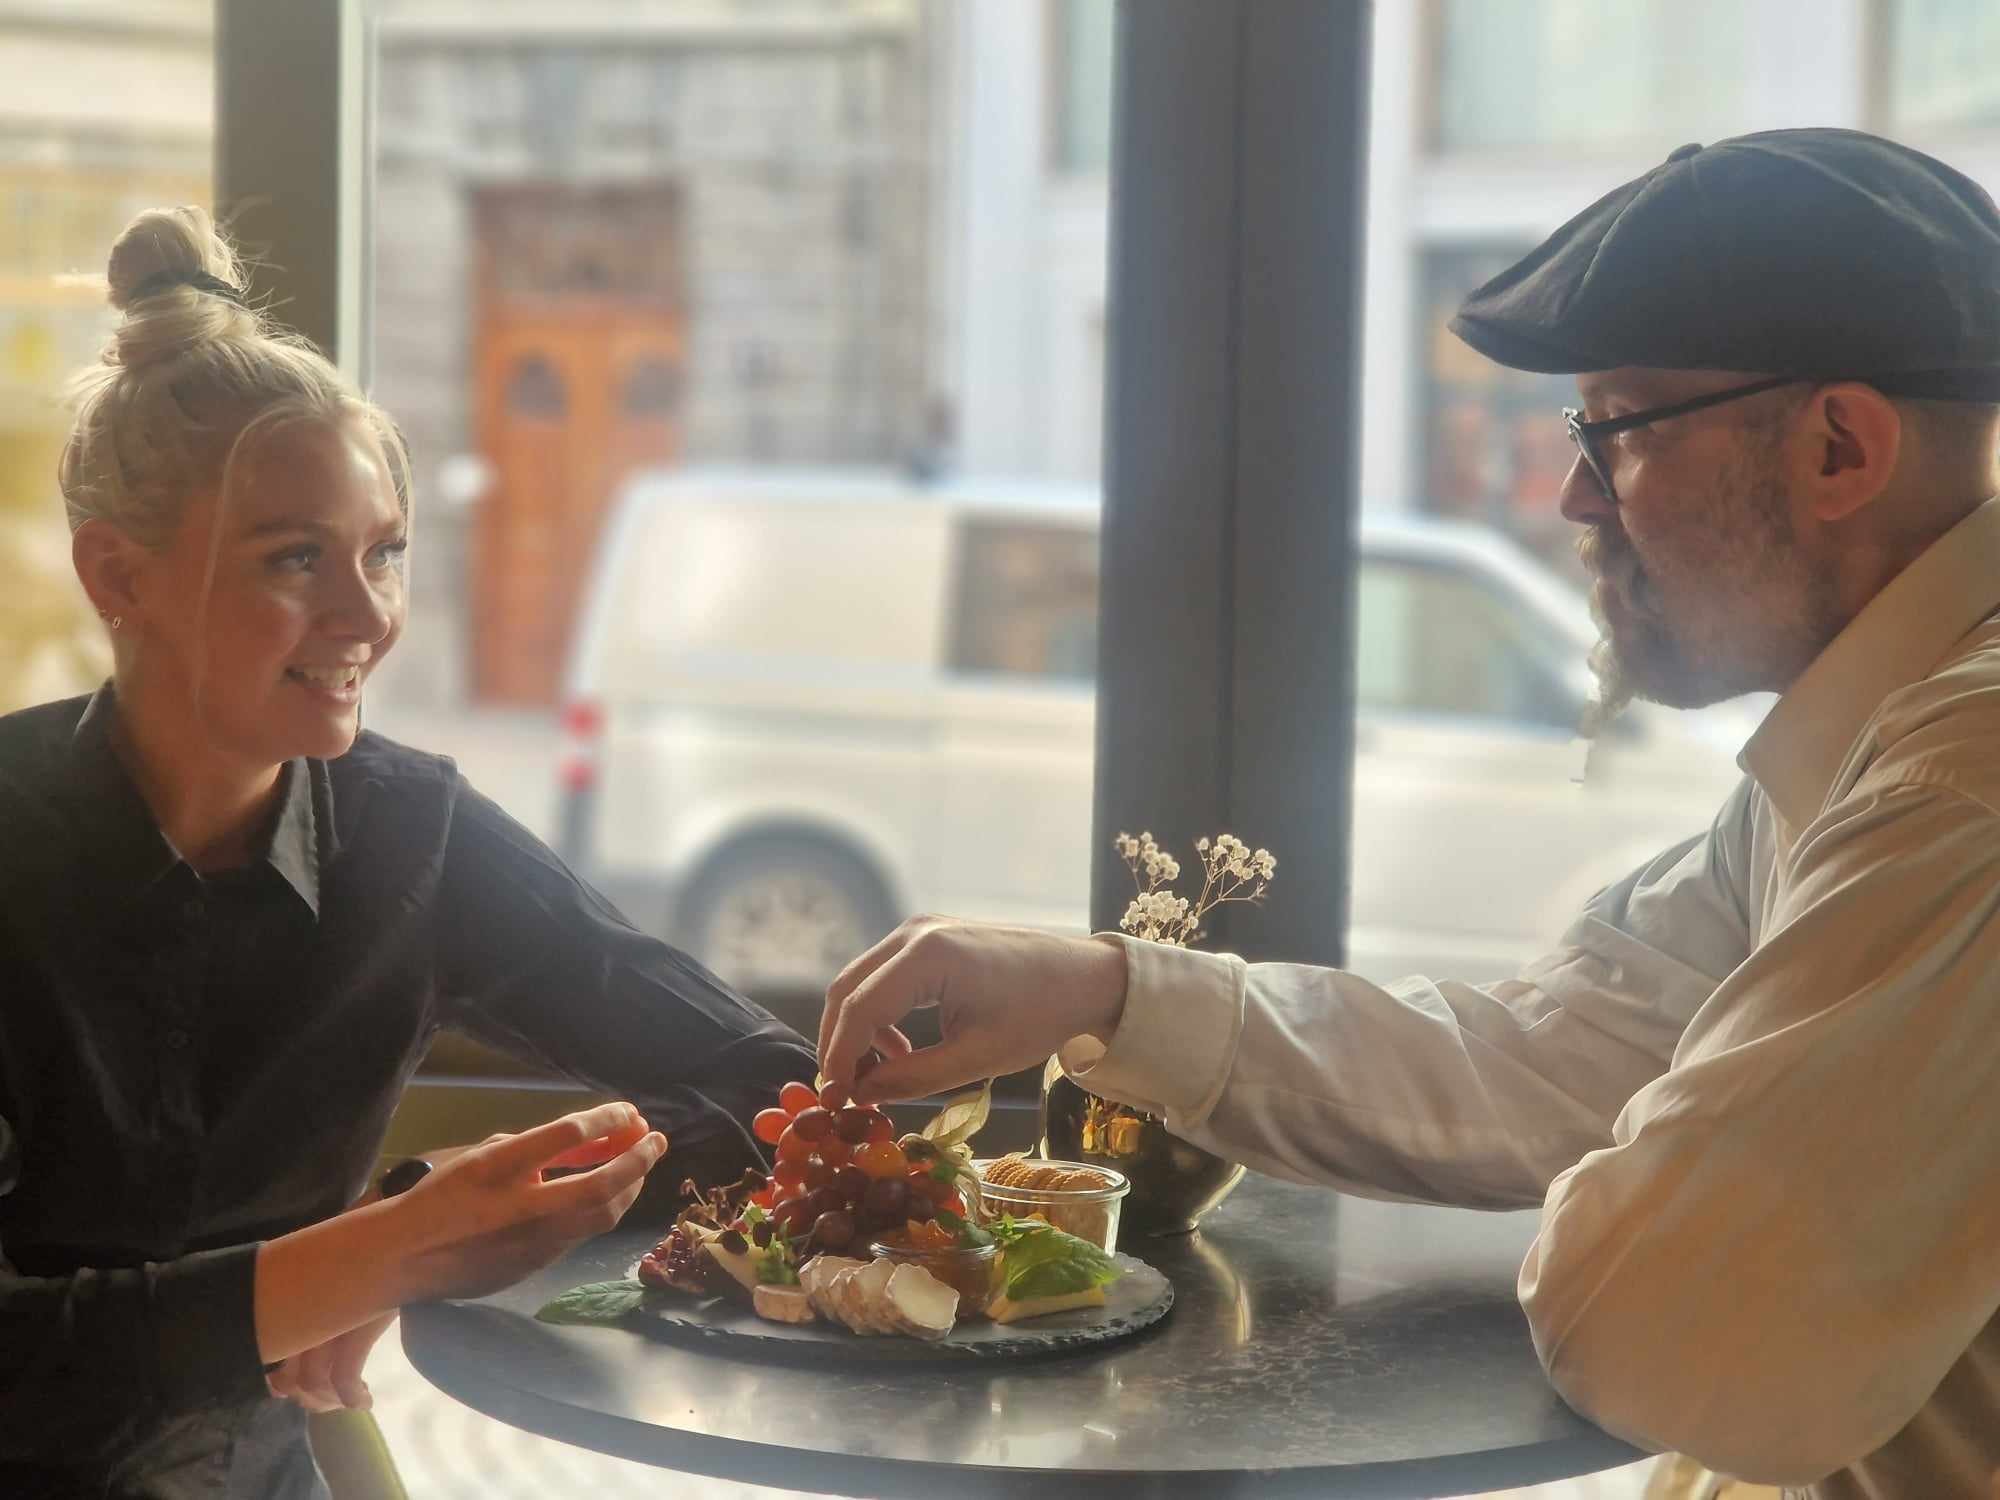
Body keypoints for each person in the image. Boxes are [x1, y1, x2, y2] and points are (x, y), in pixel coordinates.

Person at [817, 128, 2000, 1500]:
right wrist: (1111, 989)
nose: (1570, 495)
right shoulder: (1870, 744)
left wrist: (1641, 1170)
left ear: (1839, 447)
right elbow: (1554, 1060)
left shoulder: (1957, 791)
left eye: (1617, 432)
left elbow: (1664, 1329)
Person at [0, 206, 817, 1499]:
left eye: (384, 552)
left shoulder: (408, 834)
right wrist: (366, 1260)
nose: (367, 615)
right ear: (118, 576)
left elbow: (778, 1098)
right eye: (294, 559)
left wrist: (438, 1220)